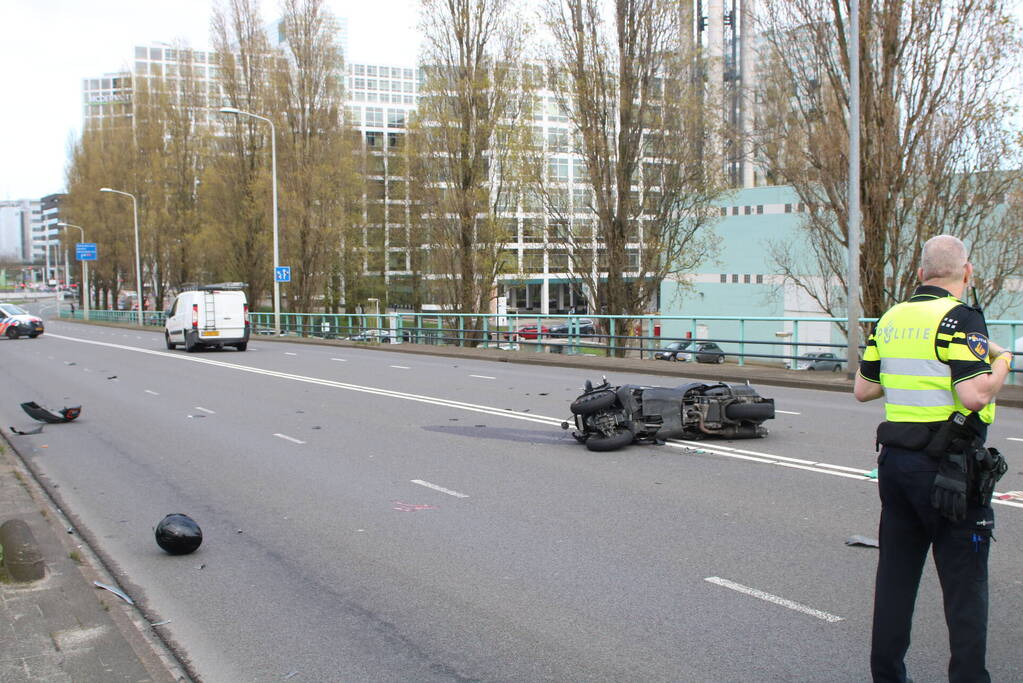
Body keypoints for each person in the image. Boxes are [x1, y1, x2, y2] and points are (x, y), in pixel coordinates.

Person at [854, 234, 1012, 682]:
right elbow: (974, 395)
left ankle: (887, 676)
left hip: (896, 468)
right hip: (950, 472)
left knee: (895, 583)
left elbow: (864, 389)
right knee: (965, 590)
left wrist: (915, 369)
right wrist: (1003, 361)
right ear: (967, 273)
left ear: (921, 274)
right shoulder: (961, 318)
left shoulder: (889, 319)